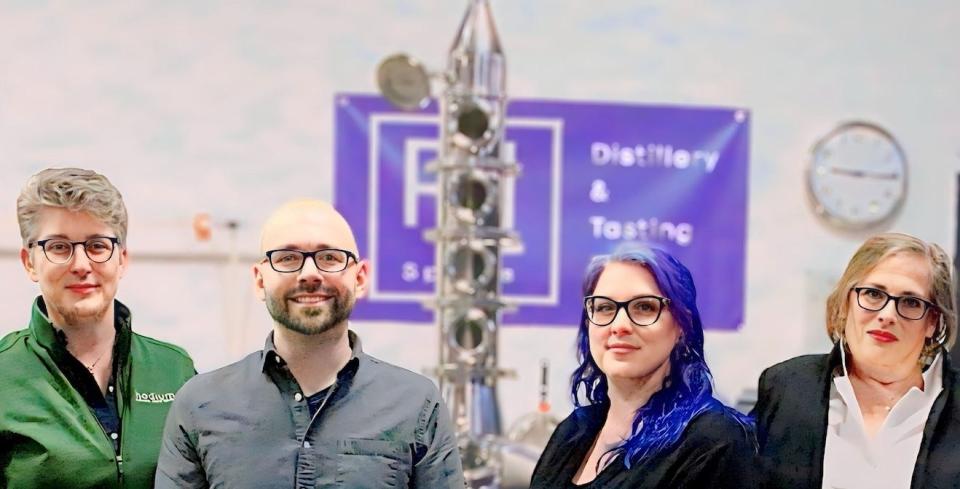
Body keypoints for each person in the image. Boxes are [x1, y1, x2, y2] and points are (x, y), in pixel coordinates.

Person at [155, 199, 465, 488]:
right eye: (288, 258)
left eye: (329, 257)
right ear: (260, 281)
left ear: (360, 278)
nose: (309, 273)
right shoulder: (199, 405)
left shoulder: (415, 405)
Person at [0, 168, 196, 488]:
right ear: (29, 262)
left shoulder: (176, 370)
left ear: (122, 259)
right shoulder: (4, 374)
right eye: (59, 247)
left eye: (97, 245)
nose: (80, 265)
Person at [530, 245, 754, 488]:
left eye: (645, 307)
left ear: (682, 326)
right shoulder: (574, 430)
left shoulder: (712, 441)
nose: (620, 325)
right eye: (605, 307)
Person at [753, 233, 959, 488]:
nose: (887, 315)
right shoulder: (786, 387)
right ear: (846, 302)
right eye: (873, 294)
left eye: (910, 302)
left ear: (933, 322)